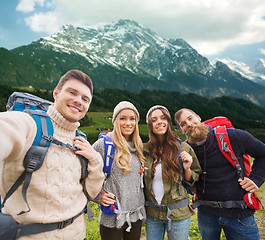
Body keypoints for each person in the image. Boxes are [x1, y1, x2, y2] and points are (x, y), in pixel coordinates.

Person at [0, 70, 105, 240]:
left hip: (78, 234)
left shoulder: (81, 140)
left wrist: (94, 159)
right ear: (56, 93)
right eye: (72, 92)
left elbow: (92, 192)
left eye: (85, 99)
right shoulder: (28, 124)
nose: (78, 101)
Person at [174, 108, 265, 240]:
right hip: (206, 214)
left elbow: (263, 153)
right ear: (182, 130)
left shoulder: (233, 136)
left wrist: (256, 179)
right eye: (183, 124)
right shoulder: (186, 150)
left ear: (198, 118)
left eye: (190, 118)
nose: (189, 124)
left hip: (239, 213)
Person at [144, 105, 201, 240]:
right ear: (150, 125)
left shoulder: (183, 148)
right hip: (152, 215)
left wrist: (187, 168)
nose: (159, 122)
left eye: (163, 118)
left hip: (178, 214)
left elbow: (194, 179)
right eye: (154, 119)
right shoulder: (145, 151)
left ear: (169, 122)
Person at [92, 101, 146, 240]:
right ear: (115, 120)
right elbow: (84, 175)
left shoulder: (138, 147)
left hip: (135, 216)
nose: (128, 123)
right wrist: (97, 196)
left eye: (132, 119)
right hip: (112, 217)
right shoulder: (103, 145)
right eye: (123, 118)